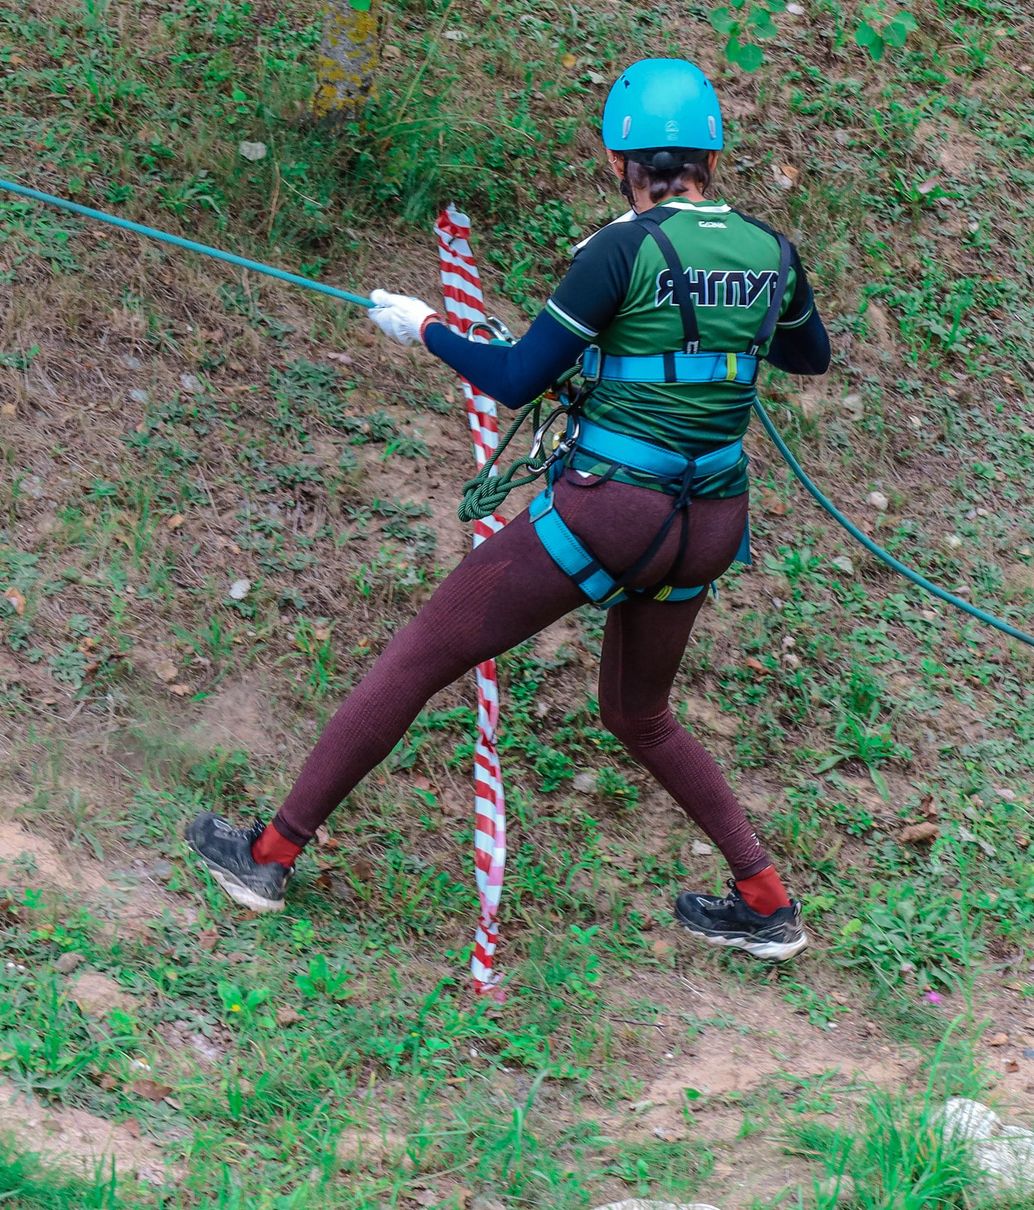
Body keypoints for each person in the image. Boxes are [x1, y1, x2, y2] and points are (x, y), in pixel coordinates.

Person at [183, 58, 834, 961]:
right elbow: (808, 356)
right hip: (709, 524)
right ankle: (765, 900)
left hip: (614, 512)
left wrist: (425, 328)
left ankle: (267, 855)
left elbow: (519, 373)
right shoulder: (771, 252)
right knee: (640, 713)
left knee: (419, 657)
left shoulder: (621, 251)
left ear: (620, 159)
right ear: (711, 162)